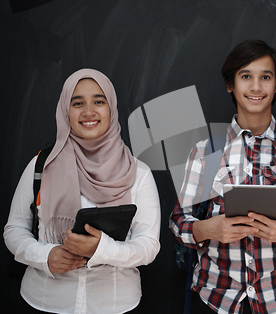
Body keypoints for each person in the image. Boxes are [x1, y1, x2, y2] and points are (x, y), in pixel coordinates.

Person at [169, 39, 276, 314]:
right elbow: (178, 222)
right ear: (231, 85)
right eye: (245, 76)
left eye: (265, 77)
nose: (255, 87)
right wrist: (207, 229)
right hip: (215, 299)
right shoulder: (207, 151)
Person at [4, 69, 161, 313]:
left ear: (112, 108)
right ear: (65, 111)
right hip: (45, 301)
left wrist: (101, 250)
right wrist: (44, 256)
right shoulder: (40, 167)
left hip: (115, 304)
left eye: (99, 101)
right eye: (77, 103)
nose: (88, 112)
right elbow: (14, 230)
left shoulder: (138, 173)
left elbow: (148, 246)